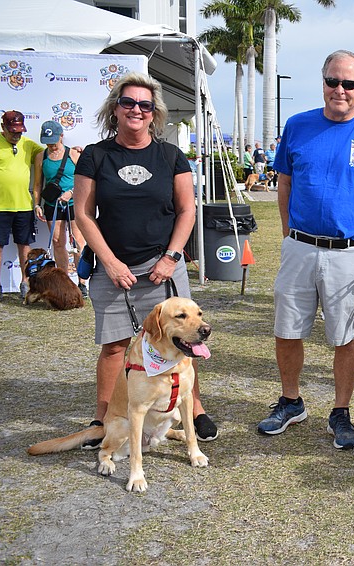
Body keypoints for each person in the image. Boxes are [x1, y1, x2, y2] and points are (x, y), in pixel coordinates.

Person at [260, 49, 354, 449]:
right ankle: (290, 401)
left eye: (349, 84)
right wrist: (288, 232)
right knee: (287, 330)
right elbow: (284, 182)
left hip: (351, 253)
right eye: (332, 81)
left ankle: (340, 411)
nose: (340, 90)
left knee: (344, 337)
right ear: (322, 83)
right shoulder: (298, 126)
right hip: (300, 248)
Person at [74, 72, 218, 447]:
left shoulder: (171, 155)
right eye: (128, 103)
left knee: (183, 344)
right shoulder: (95, 155)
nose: (136, 110)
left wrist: (171, 258)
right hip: (114, 266)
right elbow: (84, 214)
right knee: (115, 346)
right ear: (115, 109)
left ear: (154, 114)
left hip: (162, 267)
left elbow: (187, 211)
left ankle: (195, 410)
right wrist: (109, 262)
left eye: (145, 105)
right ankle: (105, 417)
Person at [32, 121, 88, 297]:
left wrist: (71, 192)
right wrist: (36, 204)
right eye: (48, 141)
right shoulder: (41, 157)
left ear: (61, 136)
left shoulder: (73, 154)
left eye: (54, 141)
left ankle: (82, 283)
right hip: (52, 205)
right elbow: (38, 184)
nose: (51, 145)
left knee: (78, 241)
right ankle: (64, 282)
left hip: (73, 203)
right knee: (58, 242)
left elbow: (84, 181)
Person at [0, 110, 44, 300]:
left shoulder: (28, 145)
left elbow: (51, 150)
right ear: (3, 128)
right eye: (13, 132)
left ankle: (25, 283)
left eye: (20, 132)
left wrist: (73, 151)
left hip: (24, 206)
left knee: (24, 246)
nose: (17, 135)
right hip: (0, 206)